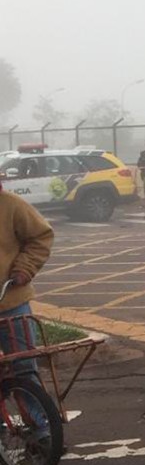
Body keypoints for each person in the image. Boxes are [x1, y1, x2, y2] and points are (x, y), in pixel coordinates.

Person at [0, 183, 55, 439]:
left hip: (11, 300)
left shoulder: (10, 204)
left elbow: (40, 236)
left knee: (24, 367)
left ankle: (40, 426)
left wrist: (24, 267)